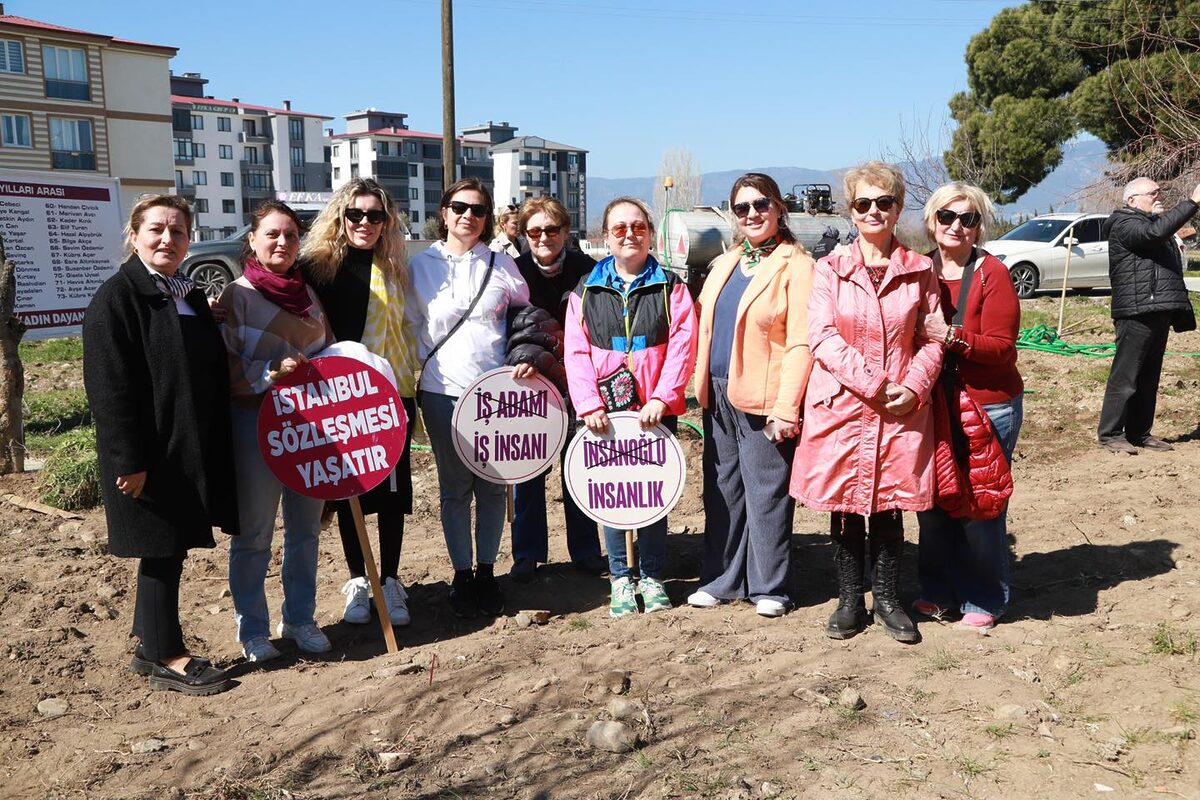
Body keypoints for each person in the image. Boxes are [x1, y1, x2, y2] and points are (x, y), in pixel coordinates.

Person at [83, 194, 238, 695]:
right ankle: (164, 654)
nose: (167, 239)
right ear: (134, 235)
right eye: (156, 230)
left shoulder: (184, 293)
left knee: (169, 547)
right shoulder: (117, 299)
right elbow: (110, 389)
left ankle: (147, 635)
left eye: (177, 232)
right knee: (162, 548)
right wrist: (128, 460)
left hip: (185, 445)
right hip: (148, 452)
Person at [790, 161, 943, 643]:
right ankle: (850, 599)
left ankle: (890, 600)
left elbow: (933, 338)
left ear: (898, 209)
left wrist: (915, 384)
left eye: (884, 202)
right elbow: (823, 337)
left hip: (902, 407)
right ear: (850, 211)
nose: (873, 211)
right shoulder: (829, 269)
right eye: (863, 203)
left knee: (889, 505)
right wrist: (877, 384)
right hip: (843, 407)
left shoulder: (920, 271)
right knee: (845, 505)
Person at [688, 173, 815, 618]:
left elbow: (801, 341)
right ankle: (723, 579)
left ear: (779, 207)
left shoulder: (796, 265)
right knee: (723, 489)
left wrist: (788, 407)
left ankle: (770, 586)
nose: (752, 214)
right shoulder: (728, 261)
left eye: (761, 205)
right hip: (719, 391)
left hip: (764, 397)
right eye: (742, 208)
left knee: (765, 492)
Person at [564, 196, 698, 618]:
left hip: (653, 412)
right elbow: (576, 352)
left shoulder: (671, 287)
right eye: (619, 228)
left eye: (638, 227)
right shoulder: (585, 291)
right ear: (606, 235)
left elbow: (682, 345)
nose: (629, 235)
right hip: (604, 414)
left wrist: (662, 396)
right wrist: (587, 404)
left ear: (650, 234)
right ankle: (621, 577)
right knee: (613, 495)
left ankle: (653, 574)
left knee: (650, 493)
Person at [408, 178, 532, 618]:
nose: (467, 215)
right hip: (442, 392)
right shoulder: (420, 266)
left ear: (487, 218)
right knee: (455, 489)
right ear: (444, 213)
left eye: (478, 210)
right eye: (459, 207)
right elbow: (404, 324)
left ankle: (487, 572)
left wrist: (526, 356)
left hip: (497, 395)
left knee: (495, 487)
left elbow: (525, 318)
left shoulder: (503, 264)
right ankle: (461, 575)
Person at [219, 201, 334, 660]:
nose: (282, 243)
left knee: (305, 528)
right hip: (254, 423)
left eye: (290, 235)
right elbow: (225, 367)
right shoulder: (236, 296)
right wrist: (272, 371)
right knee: (254, 533)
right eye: (272, 234)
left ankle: (301, 618)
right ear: (252, 239)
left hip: (310, 427)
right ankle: (252, 629)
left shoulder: (309, 295)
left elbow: (328, 353)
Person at [300, 178, 418, 627]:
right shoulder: (317, 268)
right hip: (342, 397)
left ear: (387, 222)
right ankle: (358, 580)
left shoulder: (397, 268)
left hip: (395, 391)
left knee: (391, 494)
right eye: (355, 214)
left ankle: (390, 579)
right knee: (350, 490)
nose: (365, 223)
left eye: (375, 215)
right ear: (339, 217)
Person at [916, 182, 1024, 631]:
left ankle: (985, 597)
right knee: (932, 504)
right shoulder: (919, 270)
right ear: (931, 221)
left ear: (979, 226)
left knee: (980, 506)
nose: (957, 226)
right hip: (932, 405)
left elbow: (1002, 348)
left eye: (968, 218)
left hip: (986, 403)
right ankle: (938, 591)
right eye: (947, 216)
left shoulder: (991, 274)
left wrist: (950, 336)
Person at [509, 197, 606, 582]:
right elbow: (506, 327)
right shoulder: (513, 274)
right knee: (528, 470)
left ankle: (585, 550)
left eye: (552, 230)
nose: (544, 237)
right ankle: (527, 553)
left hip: (579, 382)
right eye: (535, 231)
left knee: (578, 466)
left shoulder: (590, 271)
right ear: (524, 235)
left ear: (566, 232)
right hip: (531, 384)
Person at [1097, 177, 1200, 454]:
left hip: (1156, 310)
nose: (1159, 196)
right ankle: (1110, 434)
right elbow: (1151, 237)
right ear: (1131, 200)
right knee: (1126, 376)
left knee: (1148, 378)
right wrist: (1191, 203)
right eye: (1153, 193)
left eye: (1160, 192)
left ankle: (1140, 433)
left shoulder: (1151, 224)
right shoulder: (1124, 223)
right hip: (1136, 312)